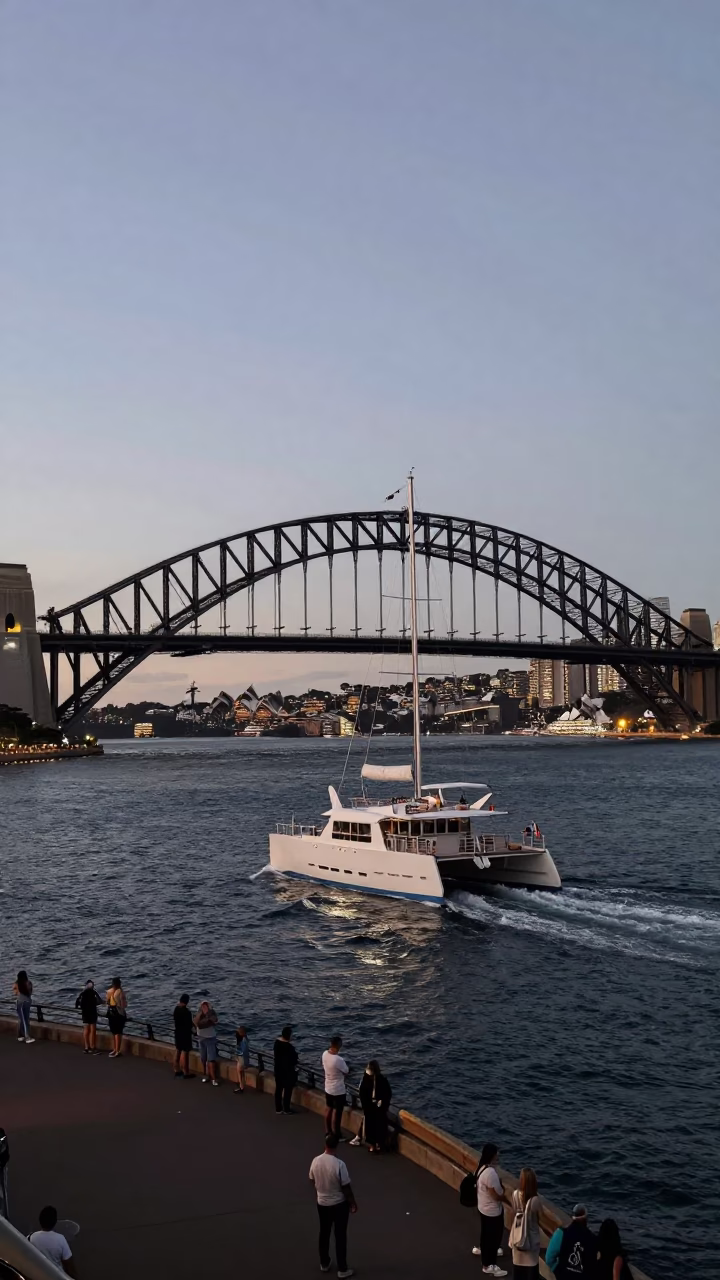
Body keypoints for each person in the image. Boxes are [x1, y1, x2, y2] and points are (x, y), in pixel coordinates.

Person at [309, 1132, 357, 1279]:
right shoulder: (339, 1164)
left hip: (322, 1203)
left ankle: (324, 1262)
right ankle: (342, 1268)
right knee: (340, 1235)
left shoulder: (316, 1161)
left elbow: (312, 1179)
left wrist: (321, 1191)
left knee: (324, 1232)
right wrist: (352, 1203)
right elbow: (346, 1187)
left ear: (325, 1145)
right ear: (336, 1146)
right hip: (338, 1204)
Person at [471, 1142, 507, 1277]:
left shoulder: (480, 1169)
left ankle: (484, 1252)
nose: (498, 1155)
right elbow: (497, 1195)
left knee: (486, 1234)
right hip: (493, 1211)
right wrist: (504, 1193)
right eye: (497, 1153)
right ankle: (489, 1265)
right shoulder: (491, 1173)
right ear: (492, 1155)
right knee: (493, 1238)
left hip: (483, 1207)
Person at [545, 1204, 596, 1278]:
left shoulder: (561, 1233)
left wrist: (556, 1270)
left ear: (572, 1217)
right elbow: (592, 1265)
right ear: (586, 1218)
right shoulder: (592, 1238)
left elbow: (549, 1258)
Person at [509, 1167, 541, 1279]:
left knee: (518, 1273)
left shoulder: (515, 1194)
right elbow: (538, 1218)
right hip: (530, 1242)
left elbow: (514, 1213)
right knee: (531, 1273)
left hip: (517, 1239)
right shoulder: (535, 1200)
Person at [29, 1206, 76, 1277]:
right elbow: (69, 1264)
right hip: (57, 1276)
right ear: (54, 1222)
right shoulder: (60, 1239)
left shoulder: (30, 1238)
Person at [358, 1060, 392, 1152]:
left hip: (373, 1108)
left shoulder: (368, 1080)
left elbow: (362, 1093)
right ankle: (377, 1144)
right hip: (374, 1108)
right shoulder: (381, 1080)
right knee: (377, 1126)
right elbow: (388, 1093)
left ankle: (375, 1145)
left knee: (373, 1126)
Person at [322, 1035, 349, 1139]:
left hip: (328, 1087)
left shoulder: (324, 1054)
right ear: (339, 1045)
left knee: (328, 1109)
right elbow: (346, 1071)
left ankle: (328, 1131)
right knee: (337, 1113)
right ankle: (337, 1134)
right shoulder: (338, 1060)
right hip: (338, 1090)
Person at [273, 1024, 298, 1113]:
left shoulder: (277, 1044)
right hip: (287, 1072)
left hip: (278, 1070)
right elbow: (294, 1060)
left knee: (278, 1089)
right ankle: (286, 1109)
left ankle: (278, 1108)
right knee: (287, 1090)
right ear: (289, 1036)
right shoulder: (290, 1048)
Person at [194, 1000, 220, 1085]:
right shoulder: (198, 1013)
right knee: (203, 1058)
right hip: (201, 1038)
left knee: (211, 1059)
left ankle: (213, 1078)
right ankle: (205, 1075)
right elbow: (197, 1023)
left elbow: (215, 1021)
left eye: (206, 1006)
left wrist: (207, 1014)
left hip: (210, 1037)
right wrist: (202, 1014)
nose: (204, 1007)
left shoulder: (212, 1013)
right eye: (203, 1006)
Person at [75, 980, 101, 1053]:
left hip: (85, 1013)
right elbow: (99, 1001)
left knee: (86, 1030)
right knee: (93, 1030)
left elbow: (77, 1004)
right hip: (92, 1012)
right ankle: (93, 1047)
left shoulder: (82, 993)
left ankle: (86, 1047)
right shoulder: (94, 992)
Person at [173, 994, 194, 1078]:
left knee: (178, 1050)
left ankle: (176, 1069)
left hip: (178, 1033)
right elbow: (189, 1024)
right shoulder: (187, 1012)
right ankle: (186, 1072)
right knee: (185, 1052)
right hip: (185, 1034)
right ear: (187, 1001)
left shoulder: (176, 1009)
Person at [106, 977, 127, 1057]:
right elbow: (124, 1005)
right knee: (118, 1033)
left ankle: (114, 1049)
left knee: (114, 1032)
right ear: (119, 984)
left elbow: (107, 1002)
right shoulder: (120, 992)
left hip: (111, 1014)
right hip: (119, 1014)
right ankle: (118, 1051)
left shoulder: (109, 992)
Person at [13, 970, 34, 1044]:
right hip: (27, 1002)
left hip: (19, 1002)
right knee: (26, 1020)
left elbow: (15, 993)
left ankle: (20, 1036)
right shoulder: (28, 983)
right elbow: (30, 992)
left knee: (21, 1020)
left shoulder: (16, 984)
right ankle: (27, 1037)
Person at [234, 1024, 250, 1093]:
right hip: (241, 1058)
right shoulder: (245, 1039)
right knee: (241, 1072)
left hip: (241, 1058)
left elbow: (244, 1052)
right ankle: (242, 1084)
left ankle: (241, 1086)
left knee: (239, 1072)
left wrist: (245, 1062)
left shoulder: (242, 1041)